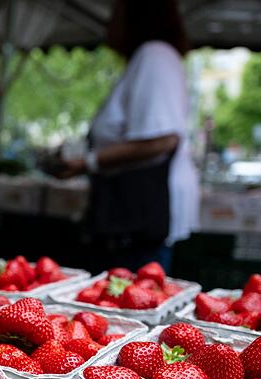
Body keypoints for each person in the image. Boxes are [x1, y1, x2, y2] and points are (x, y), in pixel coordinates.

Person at [50, 0, 199, 273]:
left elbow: (162, 139)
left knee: (132, 295)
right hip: (133, 215)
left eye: (114, 15)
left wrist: (89, 162)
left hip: (138, 217)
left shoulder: (155, 55)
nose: (108, 25)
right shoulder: (150, 58)